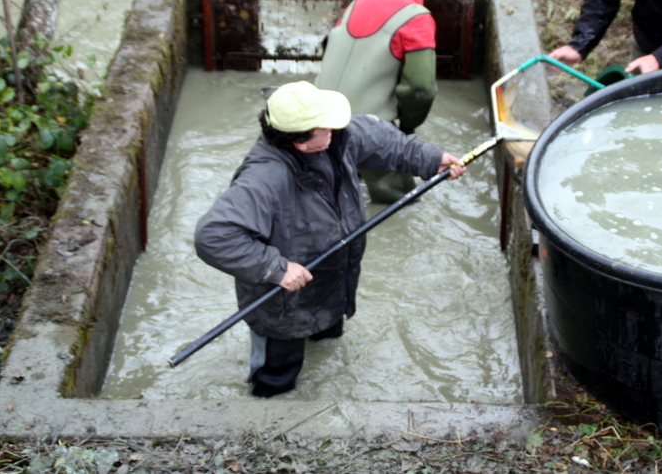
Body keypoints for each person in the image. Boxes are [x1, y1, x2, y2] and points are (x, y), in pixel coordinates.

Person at [193, 80, 466, 398]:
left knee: (328, 342)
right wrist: (276, 268)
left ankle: (323, 341)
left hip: (333, 278)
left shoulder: (336, 138)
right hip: (284, 302)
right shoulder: (263, 178)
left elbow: (382, 140)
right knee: (277, 380)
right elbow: (213, 235)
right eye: (326, 128)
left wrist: (430, 158)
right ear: (301, 143)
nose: (336, 129)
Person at [314, 0, 438, 203]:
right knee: (401, 204)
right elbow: (420, 88)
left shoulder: (356, 4)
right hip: (370, 131)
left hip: (317, 123)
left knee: (326, 198)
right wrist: (404, 133)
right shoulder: (417, 18)